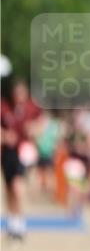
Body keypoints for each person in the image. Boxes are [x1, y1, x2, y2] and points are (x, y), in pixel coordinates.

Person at [1, 79, 41, 240]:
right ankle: (13, 223)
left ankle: (20, 224)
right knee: (9, 189)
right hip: (7, 153)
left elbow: (41, 124)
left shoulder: (31, 108)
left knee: (17, 187)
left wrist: (34, 129)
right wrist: (4, 136)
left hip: (22, 153)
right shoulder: (4, 107)